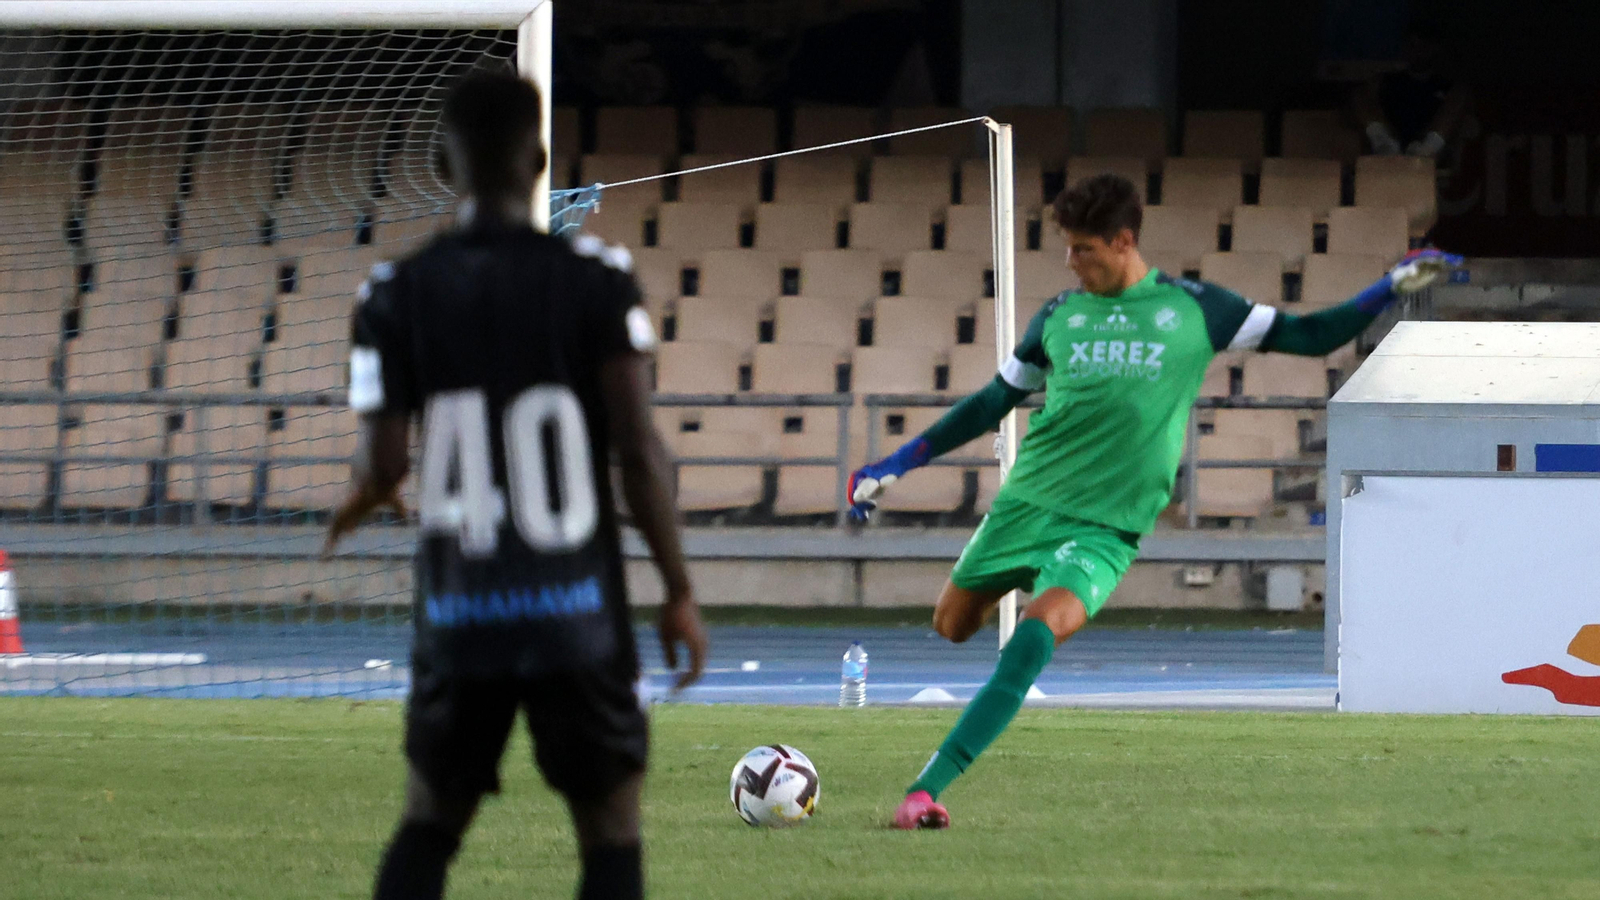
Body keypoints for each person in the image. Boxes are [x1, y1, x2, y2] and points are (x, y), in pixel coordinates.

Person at [849, 174, 1459, 829]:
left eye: (1083, 249)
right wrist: (897, 463)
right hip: (1025, 506)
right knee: (952, 625)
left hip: (1106, 528)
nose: (1070, 262)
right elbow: (991, 403)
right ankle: (979, 623)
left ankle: (926, 789)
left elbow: (1309, 337)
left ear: (1123, 241)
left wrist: (1386, 289)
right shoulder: (1057, 316)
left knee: (1034, 638)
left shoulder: (1198, 309)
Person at [322, 71, 708, 898]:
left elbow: (383, 464)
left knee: (430, 821)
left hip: (462, 610)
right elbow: (639, 452)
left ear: (441, 161)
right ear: (539, 160)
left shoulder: (392, 294)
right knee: (609, 830)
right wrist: (677, 588)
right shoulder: (597, 277)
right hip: (577, 611)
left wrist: (362, 497)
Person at [1353, 20, 1473, 159]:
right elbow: (1361, 101)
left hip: (1427, 147)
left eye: (1423, 46)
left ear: (1435, 48)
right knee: (1359, 94)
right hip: (1390, 142)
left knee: (1460, 96)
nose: (1418, 52)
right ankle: (1385, 146)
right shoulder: (1389, 80)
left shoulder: (1447, 85)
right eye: (1412, 46)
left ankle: (1425, 151)